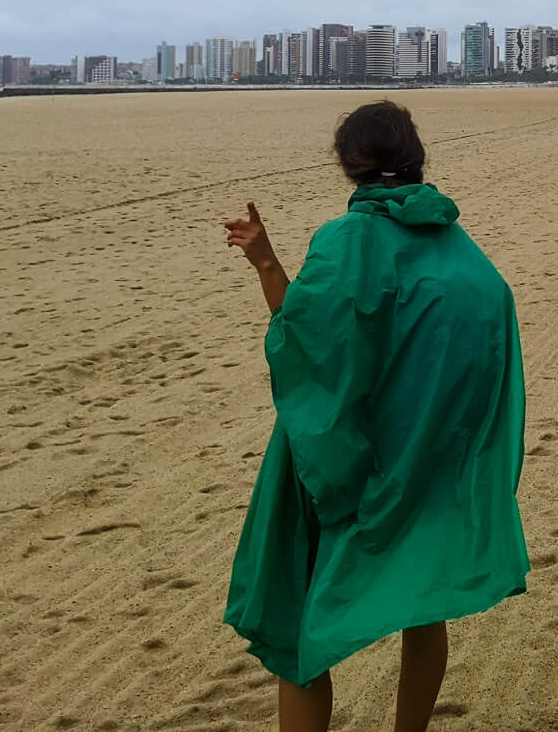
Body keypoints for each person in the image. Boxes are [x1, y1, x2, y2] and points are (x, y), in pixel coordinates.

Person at [221, 100, 528, 732]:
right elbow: (482, 339)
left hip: (345, 456)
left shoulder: (345, 239)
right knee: (423, 605)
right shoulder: (459, 246)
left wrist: (266, 264)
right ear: (414, 159)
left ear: (349, 166)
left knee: (300, 625)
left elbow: (306, 342)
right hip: (428, 460)